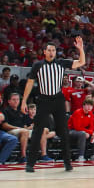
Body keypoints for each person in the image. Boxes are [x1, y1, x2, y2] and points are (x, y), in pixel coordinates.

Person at [22, 38, 86, 172]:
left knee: (63, 132)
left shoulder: (61, 63)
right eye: (49, 50)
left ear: (56, 52)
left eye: (54, 50)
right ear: (44, 52)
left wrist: (80, 49)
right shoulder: (37, 65)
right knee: (37, 132)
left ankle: (67, 163)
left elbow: (82, 62)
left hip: (58, 100)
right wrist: (24, 101)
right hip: (43, 100)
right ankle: (30, 163)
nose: (51, 52)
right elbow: (29, 83)